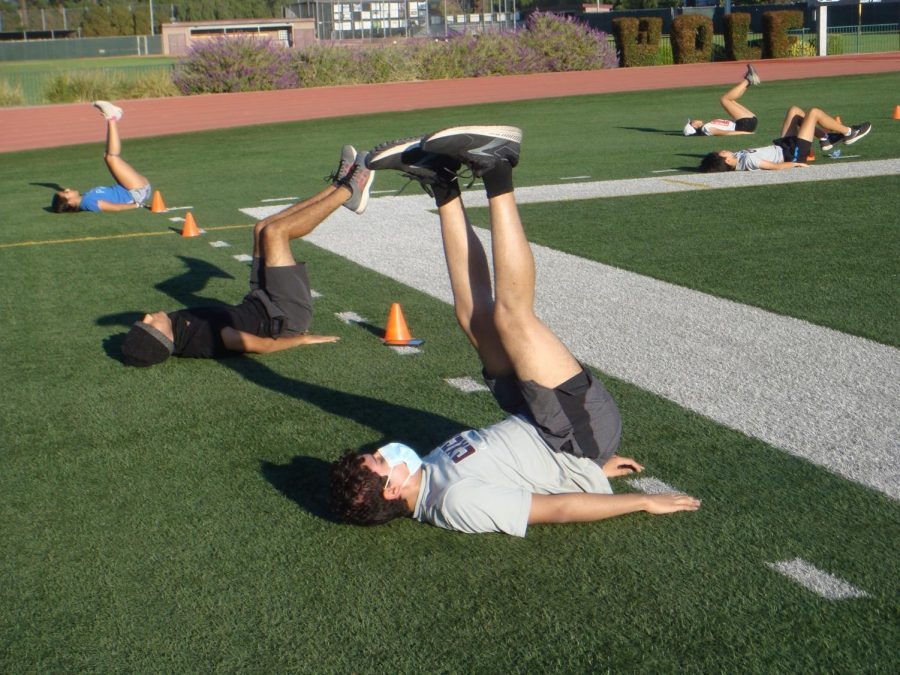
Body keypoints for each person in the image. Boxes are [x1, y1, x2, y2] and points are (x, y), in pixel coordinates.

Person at [330, 126, 701, 536]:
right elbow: (553, 509)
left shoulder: (429, 475)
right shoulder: (453, 502)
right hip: (574, 436)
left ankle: (442, 184)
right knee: (512, 317)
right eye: (380, 461)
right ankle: (498, 166)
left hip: (542, 425)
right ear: (391, 490)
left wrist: (591, 472)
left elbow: (517, 473)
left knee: (473, 317)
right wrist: (641, 499)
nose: (385, 452)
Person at [120, 146, 374, 367]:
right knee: (276, 233)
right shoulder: (203, 337)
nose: (147, 317)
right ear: (163, 338)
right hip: (285, 313)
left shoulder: (177, 329)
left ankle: (338, 187)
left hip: (260, 298)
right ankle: (350, 191)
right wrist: (302, 338)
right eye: (148, 325)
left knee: (262, 228)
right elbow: (259, 346)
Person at [699, 105, 871, 173]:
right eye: (722, 153)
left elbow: (711, 166)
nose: (723, 150)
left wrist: (708, 165)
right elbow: (775, 166)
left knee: (795, 111)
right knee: (814, 113)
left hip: (783, 145)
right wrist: (796, 163)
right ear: (728, 161)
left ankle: (826, 138)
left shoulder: (736, 158)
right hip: (792, 153)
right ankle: (849, 132)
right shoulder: (749, 161)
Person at [52, 101, 153, 213]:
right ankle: (111, 117)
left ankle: (113, 117)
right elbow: (114, 207)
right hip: (136, 192)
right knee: (111, 157)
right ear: (70, 202)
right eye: (66, 193)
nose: (67, 189)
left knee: (107, 156)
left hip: (130, 188)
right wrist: (136, 205)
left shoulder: (85, 197)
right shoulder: (87, 203)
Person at [683, 64, 761, 137]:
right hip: (744, 125)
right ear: (694, 126)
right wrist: (745, 133)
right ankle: (748, 80)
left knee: (730, 100)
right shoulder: (706, 129)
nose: (693, 120)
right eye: (691, 122)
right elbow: (725, 133)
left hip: (745, 122)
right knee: (724, 99)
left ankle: (749, 81)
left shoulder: (707, 125)